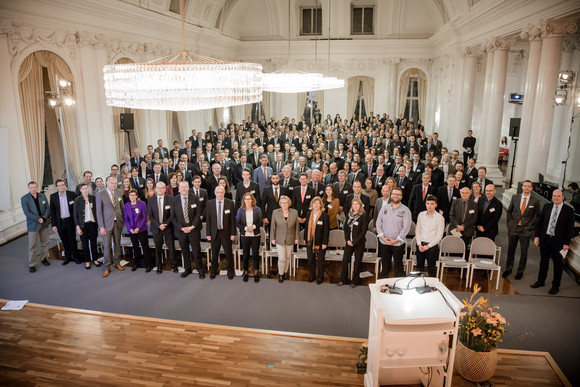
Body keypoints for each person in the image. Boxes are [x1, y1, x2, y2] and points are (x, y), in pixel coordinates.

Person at [531, 189, 575, 295]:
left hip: (558, 242)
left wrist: (566, 243)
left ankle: (555, 286)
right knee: (543, 262)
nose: (556, 198)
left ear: (563, 197)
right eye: (554, 196)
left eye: (558, 196)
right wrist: (537, 236)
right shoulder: (547, 206)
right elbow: (539, 222)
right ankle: (540, 281)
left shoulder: (569, 210)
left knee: (557, 265)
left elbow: (570, 229)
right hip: (545, 239)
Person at [504, 180, 541, 280]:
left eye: (529, 186)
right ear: (522, 187)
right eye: (525, 186)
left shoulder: (535, 201)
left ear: (531, 188)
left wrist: (531, 226)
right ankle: (508, 269)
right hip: (514, 228)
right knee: (511, 250)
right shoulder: (515, 197)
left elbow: (538, 216)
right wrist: (509, 224)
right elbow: (509, 211)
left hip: (526, 230)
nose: (526, 188)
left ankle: (520, 271)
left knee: (524, 252)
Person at [376, 187, 412, 278]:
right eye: (394, 194)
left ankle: (398, 286)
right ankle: (382, 286)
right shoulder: (384, 208)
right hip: (384, 242)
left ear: (401, 197)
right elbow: (378, 223)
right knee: (385, 267)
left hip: (398, 244)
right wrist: (383, 237)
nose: (396, 196)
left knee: (398, 267)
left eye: (398, 194)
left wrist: (395, 240)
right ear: (391, 195)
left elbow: (406, 227)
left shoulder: (406, 210)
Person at [96, 176, 125, 277]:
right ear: (107, 183)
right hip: (106, 224)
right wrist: (101, 226)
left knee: (117, 244)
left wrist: (124, 220)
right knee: (107, 245)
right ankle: (107, 267)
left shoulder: (118, 192)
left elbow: (122, 207)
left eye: (115, 183)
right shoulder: (100, 194)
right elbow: (99, 212)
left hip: (118, 222)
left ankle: (117, 263)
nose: (113, 185)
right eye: (111, 183)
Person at [172, 181, 203, 278]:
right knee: (184, 251)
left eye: (185, 187)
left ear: (188, 188)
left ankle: (200, 269)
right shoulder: (174, 200)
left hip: (193, 229)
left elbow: (198, 214)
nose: (184, 189)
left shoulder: (194, 198)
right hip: (181, 231)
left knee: (196, 250)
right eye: (182, 187)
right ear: (179, 189)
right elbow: (173, 217)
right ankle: (187, 269)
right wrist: (181, 228)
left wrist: (192, 226)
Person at [206, 186, 236, 279]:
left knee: (228, 253)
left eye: (221, 192)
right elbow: (208, 220)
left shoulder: (230, 203)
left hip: (226, 233)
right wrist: (208, 234)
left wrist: (233, 233)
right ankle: (213, 271)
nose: (219, 194)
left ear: (224, 193)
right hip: (214, 233)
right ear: (215, 193)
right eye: (218, 192)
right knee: (214, 253)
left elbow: (232, 220)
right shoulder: (210, 203)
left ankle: (230, 271)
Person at [148, 182, 177, 274]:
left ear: (165, 189)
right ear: (155, 189)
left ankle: (174, 266)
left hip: (168, 227)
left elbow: (172, 214)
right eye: (158, 188)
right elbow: (150, 215)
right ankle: (159, 266)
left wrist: (165, 224)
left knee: (171, 247)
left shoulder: (171, 199)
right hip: (156, 228)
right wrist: (158, 225)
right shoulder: (150, 200)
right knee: (158, 248)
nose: (160, 190)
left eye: (162, 188)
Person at [21, 181, 51, 272]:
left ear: (37, 187)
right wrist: (38, 219)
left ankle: (44, 258)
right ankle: (32, 264)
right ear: (29, 188)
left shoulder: (42, 196)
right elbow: (27, 212)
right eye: (31, 187)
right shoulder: (24, 198)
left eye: (35, 187)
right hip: (33, 224)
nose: (33, 189)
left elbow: (48, 208)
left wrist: (44, 218)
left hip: (44, 223)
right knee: (32, 245)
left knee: (45, 242)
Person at [50, 179, 81, 265]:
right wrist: (54, 224)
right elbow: (52, 212)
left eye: (63, 185)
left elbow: (76, 209)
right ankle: (67, 257)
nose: (61, 186)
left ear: (65, 185)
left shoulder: (72, 194)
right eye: (59, 185)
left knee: (72, 240)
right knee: (64, 241)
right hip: (60, 222)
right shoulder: (53, 196)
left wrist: (77, 222)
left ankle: (76, 257)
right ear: (57, 187)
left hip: (70, 221)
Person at [338, 198, 368, 287]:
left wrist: (354, 241)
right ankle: (343, 279)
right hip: (349, 242)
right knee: (345, 261)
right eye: (353, 204)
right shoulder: (349, 215)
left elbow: (363, 231)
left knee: (357, 262)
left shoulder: (363, 216)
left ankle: (355, 281)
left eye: (357, 204)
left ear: (360, 205)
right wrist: (347, 240)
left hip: (359, 243)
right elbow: (346, 229)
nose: (355, 206)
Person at [270, 196, 299, 283]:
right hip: (279, 238)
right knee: (282, 258)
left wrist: (297, 238)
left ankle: (286, 272)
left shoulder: (294, 212)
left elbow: (297, 227)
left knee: (287, 257)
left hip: (290, 238)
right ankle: (281, 274)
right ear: (280, 204)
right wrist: (272, 238)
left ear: (289, 203)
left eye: (286, 202)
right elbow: (273, 227)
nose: (284, 204)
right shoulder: (275, 212)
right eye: (282, 202)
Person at [236, 193, 264, 283]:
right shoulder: (240, 210)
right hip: (245, 236)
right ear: (243, 200)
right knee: (245, 255)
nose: (247, 201)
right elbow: (237, 223)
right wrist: (245, 228)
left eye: (249, 199)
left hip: (255, 236)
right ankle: (246, 273)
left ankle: (256, 273)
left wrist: (253, 227)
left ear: (252, 200)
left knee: (255, 255)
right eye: (246, 199)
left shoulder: (257, 210)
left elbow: (260, 222)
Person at [415, 195, 445, 277]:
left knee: (431, 268)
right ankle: (418, 285)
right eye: (427, 203)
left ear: (436, 205)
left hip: (432, 246)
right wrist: (419, 244)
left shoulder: (440, 218)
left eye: (432, 204)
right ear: (425, 204)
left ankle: (433, 286)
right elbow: (417, 230)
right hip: (420, 244)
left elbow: (439, 236)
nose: (429, 206)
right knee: (419, 267)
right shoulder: (421, 215)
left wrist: (428, 246)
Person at [124, 189, 153, 272]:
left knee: (145, 247)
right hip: (132, 231)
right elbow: (126, 219)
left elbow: (144, 217)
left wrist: (138, 228)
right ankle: (136, 263)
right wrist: (130, 229)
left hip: (142, 229)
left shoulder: (142, 204)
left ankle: (149, 264)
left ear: (136, 196)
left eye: (133, 195)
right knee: (135, 247)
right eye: (130, 195)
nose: (132, 197)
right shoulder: (126, 205)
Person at [73, 183, 100, 269]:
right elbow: (75, 215)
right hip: (82, 225)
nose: (85, 190)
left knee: (93, 243)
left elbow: (96, 212)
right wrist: (77, 227)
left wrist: (98, 224)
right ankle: (87, 261)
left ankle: (95, 259)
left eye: (86, 188)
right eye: (83, 189)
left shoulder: (93, 198)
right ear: (80, 190)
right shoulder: (77, 200)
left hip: (92, 224)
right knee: (84, 244)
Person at [304, 197, 329, 284]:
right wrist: (305, 238)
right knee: (310, 259)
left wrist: (325, 242)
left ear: (321, 205)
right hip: (310, 241)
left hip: (321, 242)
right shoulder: (308, 214)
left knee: (321, 260)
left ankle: (320, 277)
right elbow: (306, 227)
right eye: (314, 203)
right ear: (312, 204)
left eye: (318, 203)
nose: (316, 205)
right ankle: (312, 275)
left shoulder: (325, 215)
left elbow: (326, 230)